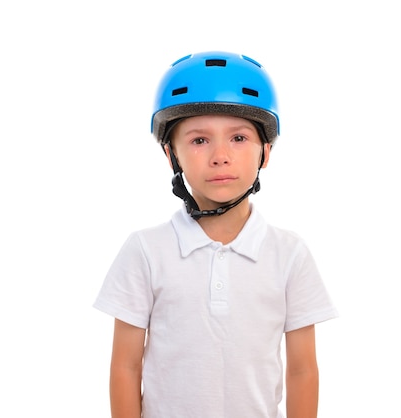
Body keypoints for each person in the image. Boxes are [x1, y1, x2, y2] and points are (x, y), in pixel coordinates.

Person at [94, 51, 338, 418]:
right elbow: (125, 367)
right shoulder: (146, 251)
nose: (220, 156)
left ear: (266, 152)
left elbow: (302, 369)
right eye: (199, 141)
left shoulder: (289, 254)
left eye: (238, 138)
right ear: (171, 155)